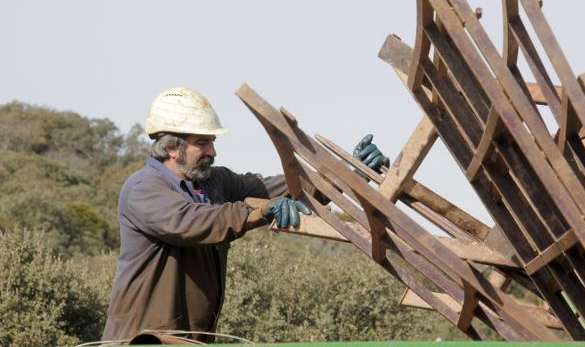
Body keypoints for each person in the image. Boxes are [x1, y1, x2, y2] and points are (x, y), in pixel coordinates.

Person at [102, 86, 388, 342]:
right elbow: (194, 222)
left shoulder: (215, 181)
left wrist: (348, 173)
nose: (213, 151)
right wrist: (261, 211)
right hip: (142, 342)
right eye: (202, 143)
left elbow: (287, 189)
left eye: (212, 141)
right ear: (171, 148)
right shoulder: (143, 189)